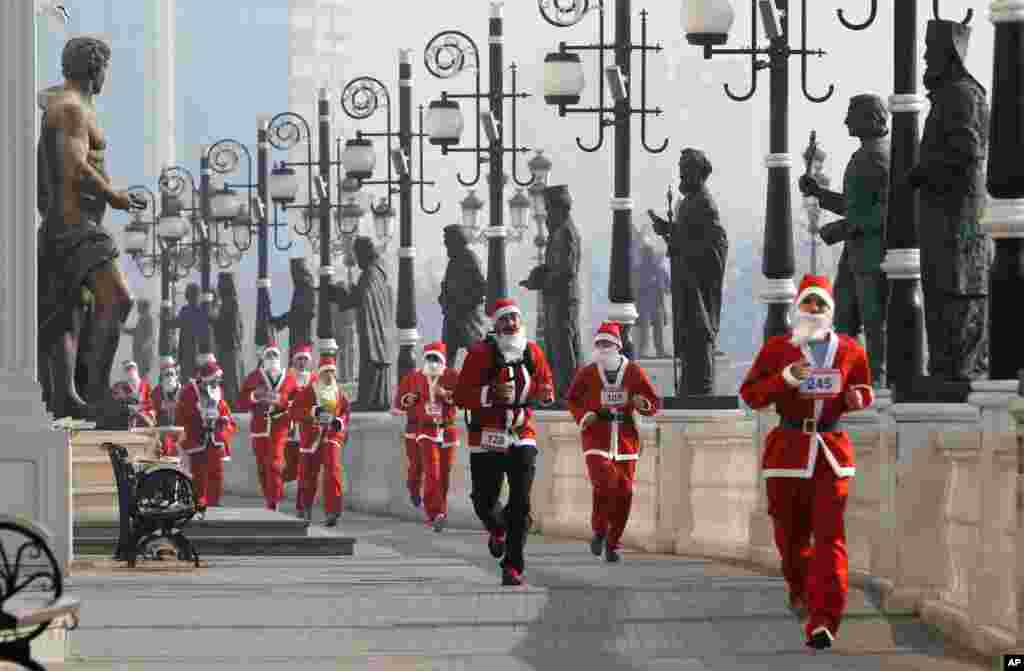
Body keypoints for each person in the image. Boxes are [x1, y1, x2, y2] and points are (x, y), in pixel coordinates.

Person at [739, 274, 873, 650]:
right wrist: (785, 378)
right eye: (808, 303)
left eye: (820, 305)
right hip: (787, 452)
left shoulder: (850, 350)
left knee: (830, 537)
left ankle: (824, 620)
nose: (813, 310)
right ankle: (800, 588)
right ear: (797, 307)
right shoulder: (777, 350)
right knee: (790, 538)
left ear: (830, 312)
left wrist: (857, 398)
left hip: (831, 453)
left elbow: (862, 387)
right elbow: (750, 394)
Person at [38, 36, 138, 418]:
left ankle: (72, 397)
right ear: (94, 68)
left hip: (71, 222)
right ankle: (92, 391)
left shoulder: (68, 105)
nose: (106, 76)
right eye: (105, 68)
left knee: (68, 311)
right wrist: (114, 196)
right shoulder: (70, 109)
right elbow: (76, 165)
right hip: (74, 225)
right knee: (116, 297)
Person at [905, 19, 991, 381]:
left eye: (930, 52)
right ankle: (947, 368)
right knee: (943, 290)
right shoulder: (951, 94)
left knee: (955, 292)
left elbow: (966, 151)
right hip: (945, 218)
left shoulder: (960, 95)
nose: (924, 59)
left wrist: (923, 170)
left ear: (949, 56)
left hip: (957, 219)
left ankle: (957, 371)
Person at [454, 298, 555, 586]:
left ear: (520, 323)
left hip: (523, 435)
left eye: (514, 318)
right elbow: (461, 397)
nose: (510, 324)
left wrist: (543, 392)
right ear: (495, 325)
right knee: (484, 501)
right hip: (487, 436)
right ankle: (497, 530)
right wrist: (490, 394)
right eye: (504, 319)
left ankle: (513, 567)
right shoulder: (479, 353)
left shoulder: (533, 352)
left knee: (521, 503)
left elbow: (545, 384)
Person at [799, 94, 891, 387]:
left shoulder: (879, 156)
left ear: (870, 119)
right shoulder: (868, 153)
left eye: (852, 115)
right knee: (846, 319)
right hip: (856, 254)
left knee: (874, 320)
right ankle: (851, 376)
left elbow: (888, 212)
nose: (846, 121)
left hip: (872, 255)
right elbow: (857, 206)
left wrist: (842, 228)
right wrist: (819, 194)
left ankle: (877, 379)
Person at [566, 322, 661, 563]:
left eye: (607, 343)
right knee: (605, 483)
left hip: (626, 440)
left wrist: (644, 405)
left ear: (617, 346)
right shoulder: (587, 373)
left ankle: (613, 542)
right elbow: (572, 399)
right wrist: (583, 415)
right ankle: (599, 529)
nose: (603, 348)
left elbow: (653, 403)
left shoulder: (633, 372)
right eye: (599, 343)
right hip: (596, 436)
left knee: (625, 492)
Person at [648, 148, 728, 395]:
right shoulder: (690, 202)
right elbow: (689, 235)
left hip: (698, 281)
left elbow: (713, 242)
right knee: (688, 331)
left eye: (685, 171)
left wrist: (675, 237)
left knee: (697, 329)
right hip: (687, 277)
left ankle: (700, 386)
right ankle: (690, 384)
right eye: (680, 170)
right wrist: (669, 230)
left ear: (697, 173)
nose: (681, 175)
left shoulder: (703, 203)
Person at [520, 185, 581, 403]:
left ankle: (569, 392)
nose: (546, 214)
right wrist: (537, 276)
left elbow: (566, 270)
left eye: (549, 209)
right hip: (556, 298)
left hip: (563, 298)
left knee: (564, 346)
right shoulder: (558, 232)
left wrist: (542, 280)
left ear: (561, 209)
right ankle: (563, 390)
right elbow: (553, 267)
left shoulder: (565, 233)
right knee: (558, 345)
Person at [393, 341, 461, 532]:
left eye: (436, 358)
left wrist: (445, 393)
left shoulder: (451, 376)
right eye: (429, 358)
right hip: (424, 430)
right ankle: (433, 512)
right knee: (430, 470)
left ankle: (441, 512)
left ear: (442, 360)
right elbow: (399, 403)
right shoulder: (414, 378)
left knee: (444, 475)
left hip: (447, 430)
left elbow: (464, 399)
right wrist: (410, 400)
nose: (432, 362)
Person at [329, 236, 394, 410]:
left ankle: (369, 400)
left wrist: (340, 293)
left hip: (373, 328)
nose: (356, 259)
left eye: (357, 254)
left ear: (365, 253)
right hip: (376, 327)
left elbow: (359, 298)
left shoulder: (370, 274)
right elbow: (361, 296)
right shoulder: (377, 273)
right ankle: (377, 400)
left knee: (370, 361)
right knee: (372, 361)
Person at [237, 343, 299, 511]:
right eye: (269, 356)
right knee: (262, 466)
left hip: (279, 425)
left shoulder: (289, 379)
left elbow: (297, 401)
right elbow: (241, 401)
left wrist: (282, 402)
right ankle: (269, 497)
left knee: (275, 463)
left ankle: (274, 501)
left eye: (275, 356)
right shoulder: (254, 377)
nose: (272, 359)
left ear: (280, 358)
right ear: (263, 359)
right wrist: (255, 396)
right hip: (259, 427)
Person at [291, 353, 351, 527]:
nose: (329, 376)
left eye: (332, 372)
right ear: (320, 373)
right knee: (307, 474)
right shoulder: (309, 391)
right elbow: (294, 411)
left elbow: (346, 412)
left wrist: (339, 421)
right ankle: (304, 507)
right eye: (326, 372)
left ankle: (333, 511)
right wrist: (312, 412)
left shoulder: (339, 392)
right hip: (311, 437)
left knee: (333, 469)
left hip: (331, 435)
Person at [176, 358, 238, 518]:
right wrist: (201, 416)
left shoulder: (217, 390)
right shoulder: (189, 391)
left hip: (214, 438)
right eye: (216, 379)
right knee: (199, 475)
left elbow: (224, 408)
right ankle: (199, 507)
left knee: (216, 474)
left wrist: (223, 418)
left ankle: (214, 505)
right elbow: (183, 414)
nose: (218, 381)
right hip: (196, 439)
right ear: (208, 378)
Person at [439, 225, 488, 368]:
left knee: (477, 355)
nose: (445, 244)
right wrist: (444, 297)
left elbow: (481, 288)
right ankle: (447, 383)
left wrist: (462, 303)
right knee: (447, 355)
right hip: (453, 315)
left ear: (457, 241)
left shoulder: (470, 258)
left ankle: (480, 385)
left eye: (447, 241)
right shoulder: (454, 261)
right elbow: (447, 285)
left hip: (467, 317)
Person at [285, 344, 317, 517]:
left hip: (307, 430)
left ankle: (303, 506)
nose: (302, 362)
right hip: (290, 430)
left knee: (305, 470)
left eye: (305, 359)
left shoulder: (314, 378)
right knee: (290, 469)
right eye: (299, 359)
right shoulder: (287, 377)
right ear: (294, 360)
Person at [151, 356, 184, 468]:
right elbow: (152, 413)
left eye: (171, 374)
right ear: (161, 376)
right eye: (166, 374)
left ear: (176, 376)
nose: (169, 377)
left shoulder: (184, 392)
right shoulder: (156, 392)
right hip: (162, 433)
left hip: (181, 433)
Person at [110, 360, 155, 430]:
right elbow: (113, 406)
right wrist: (128, 407)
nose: (131, 371)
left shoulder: (146, 386)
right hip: (123, 424)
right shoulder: (118, 387)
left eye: (133, 368)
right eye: (127, 369)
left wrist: (141, 409)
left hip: (143, 424)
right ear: (122, 372)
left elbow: (151, 405)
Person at [122, 298, 155, 380]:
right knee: (139, 376)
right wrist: (124, 329)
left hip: (143, 354)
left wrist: (145, 347)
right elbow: (136, 331)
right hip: (138, 352)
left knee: (143, 377)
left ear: (144, 307)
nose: (137, 308)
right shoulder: (141, 319)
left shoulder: (148, 319)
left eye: (139, 306)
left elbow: (150, 336)